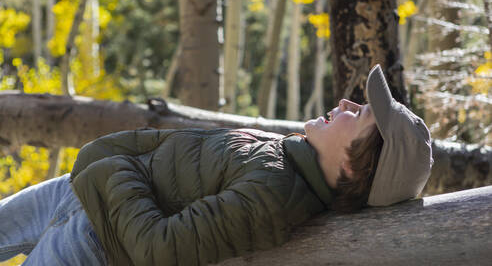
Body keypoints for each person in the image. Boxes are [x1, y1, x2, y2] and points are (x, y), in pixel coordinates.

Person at [0, 64, 433, 266]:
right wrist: (106, 154)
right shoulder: (286, 154)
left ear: (356, 167)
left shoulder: (275, 197)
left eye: (359, 115)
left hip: (92, 243)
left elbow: (160, 248)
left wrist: (113, 169)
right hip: (77, 191)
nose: (345, 103)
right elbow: (174, 148)